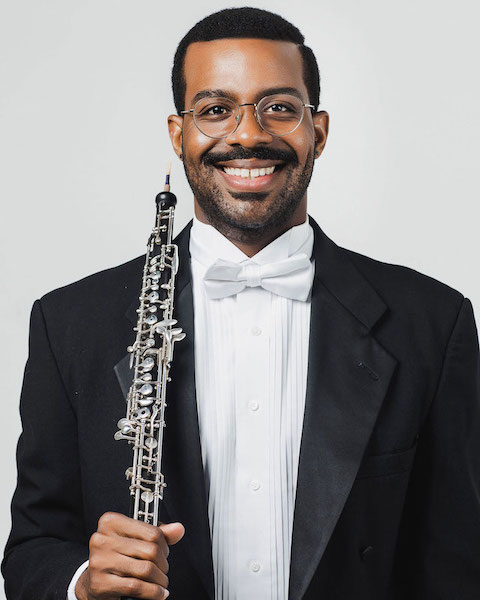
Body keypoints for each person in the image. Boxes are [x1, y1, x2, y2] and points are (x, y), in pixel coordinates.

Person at [3, 6, 480, 600]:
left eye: (279, 107)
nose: (248, 134)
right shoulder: (68, 324)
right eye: (215, 110)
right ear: (179, 134)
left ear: (319, 131)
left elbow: (457, 563)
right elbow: (33, 548)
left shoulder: (432, 324)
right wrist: (81, 584)